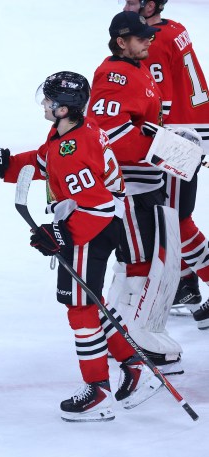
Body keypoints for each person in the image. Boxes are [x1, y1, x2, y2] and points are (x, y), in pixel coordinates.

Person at [0, 71, 162, 421]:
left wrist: (65, 235)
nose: (45, 104)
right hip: (102, 223)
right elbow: (47, 160)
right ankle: (134, 365)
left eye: (49, 100)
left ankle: (98, 391)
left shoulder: (74, 148)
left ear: (64, 109)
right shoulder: (73, 133)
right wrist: (3, 163)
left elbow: (97, 203)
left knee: (80, 308)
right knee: (91, 302)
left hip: (93, 226)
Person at [87, 11, 200, 375]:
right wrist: (166, 148)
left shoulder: (138, 70)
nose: (149, 40)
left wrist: (169, 139)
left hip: (146, 183)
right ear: (121, 41)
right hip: (130, 188)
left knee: (144, 261)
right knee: (140, 263)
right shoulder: (114, 75)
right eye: (140, 37)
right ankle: (133, 339)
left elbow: (144, 125)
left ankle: (120, 334)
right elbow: (110, 136)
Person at [121, 0, 209, 327]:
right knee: (173, 216)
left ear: (153, 3)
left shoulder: (151, 43)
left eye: (134, 0)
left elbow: (161, 102)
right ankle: (187, 285)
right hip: (194, 130)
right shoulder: (174, 28)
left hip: (179, 137)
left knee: (173, 219)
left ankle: (188, 282)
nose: (128, 5)